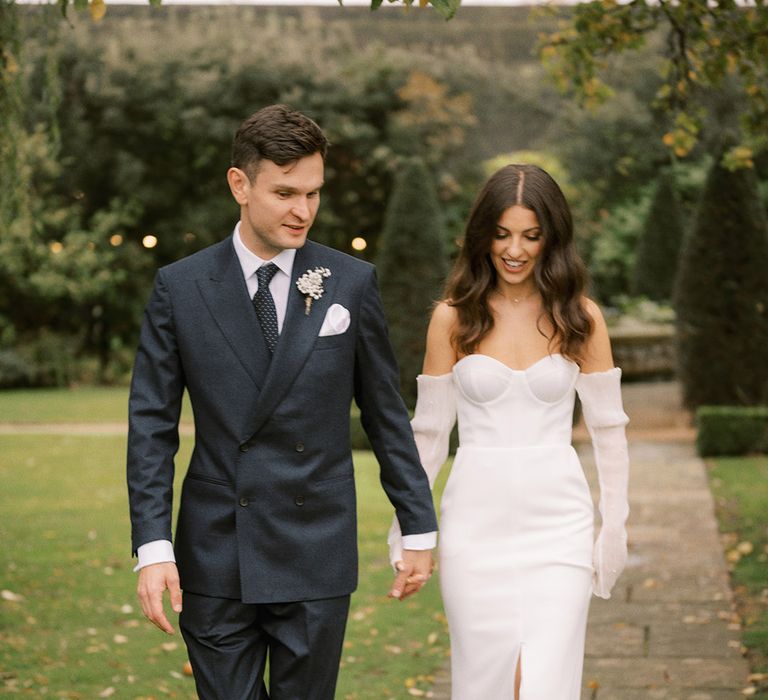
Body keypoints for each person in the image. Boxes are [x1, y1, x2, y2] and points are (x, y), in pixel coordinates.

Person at [126, 104, 437, 700]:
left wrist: (417, 527)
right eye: (285, 193)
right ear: (239, 185)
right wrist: (153, 546)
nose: (303, 211)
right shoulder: (180, 287)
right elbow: (151, 427)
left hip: (314, 545)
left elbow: (384, 414)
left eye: (314, 194)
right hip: (216, 549)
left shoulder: (350, 282)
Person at [388, 164, 630, 699]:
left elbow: (609, 433)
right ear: (482, 236)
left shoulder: (581, 318)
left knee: (544, 682)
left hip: (559, 525)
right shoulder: (453, 318)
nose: (514, 249)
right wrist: (410, 527)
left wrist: (613, 525)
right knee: (486, 682)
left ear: (553, 238)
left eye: (531, 235)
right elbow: (428, 434)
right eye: (501, 234)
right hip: (475, 527)